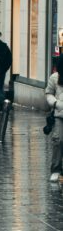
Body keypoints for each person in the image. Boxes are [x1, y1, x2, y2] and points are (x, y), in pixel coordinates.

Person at [45, 55, 63, 183]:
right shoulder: (55, 78)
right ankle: (56, 169)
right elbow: (49, 92)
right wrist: (55, 103)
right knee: (58, 141)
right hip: (59, 114)